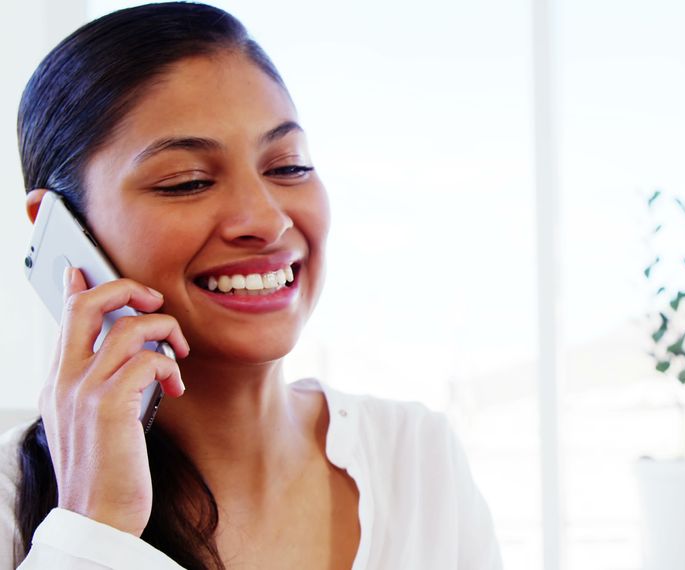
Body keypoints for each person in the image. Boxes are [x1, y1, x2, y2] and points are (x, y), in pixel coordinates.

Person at [0, 3, 502, 569]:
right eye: (187, 181)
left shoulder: (416, 458)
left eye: (288, 167)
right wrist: (91, 532)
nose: (267, 220)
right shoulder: (13, 502)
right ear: (60, 227)